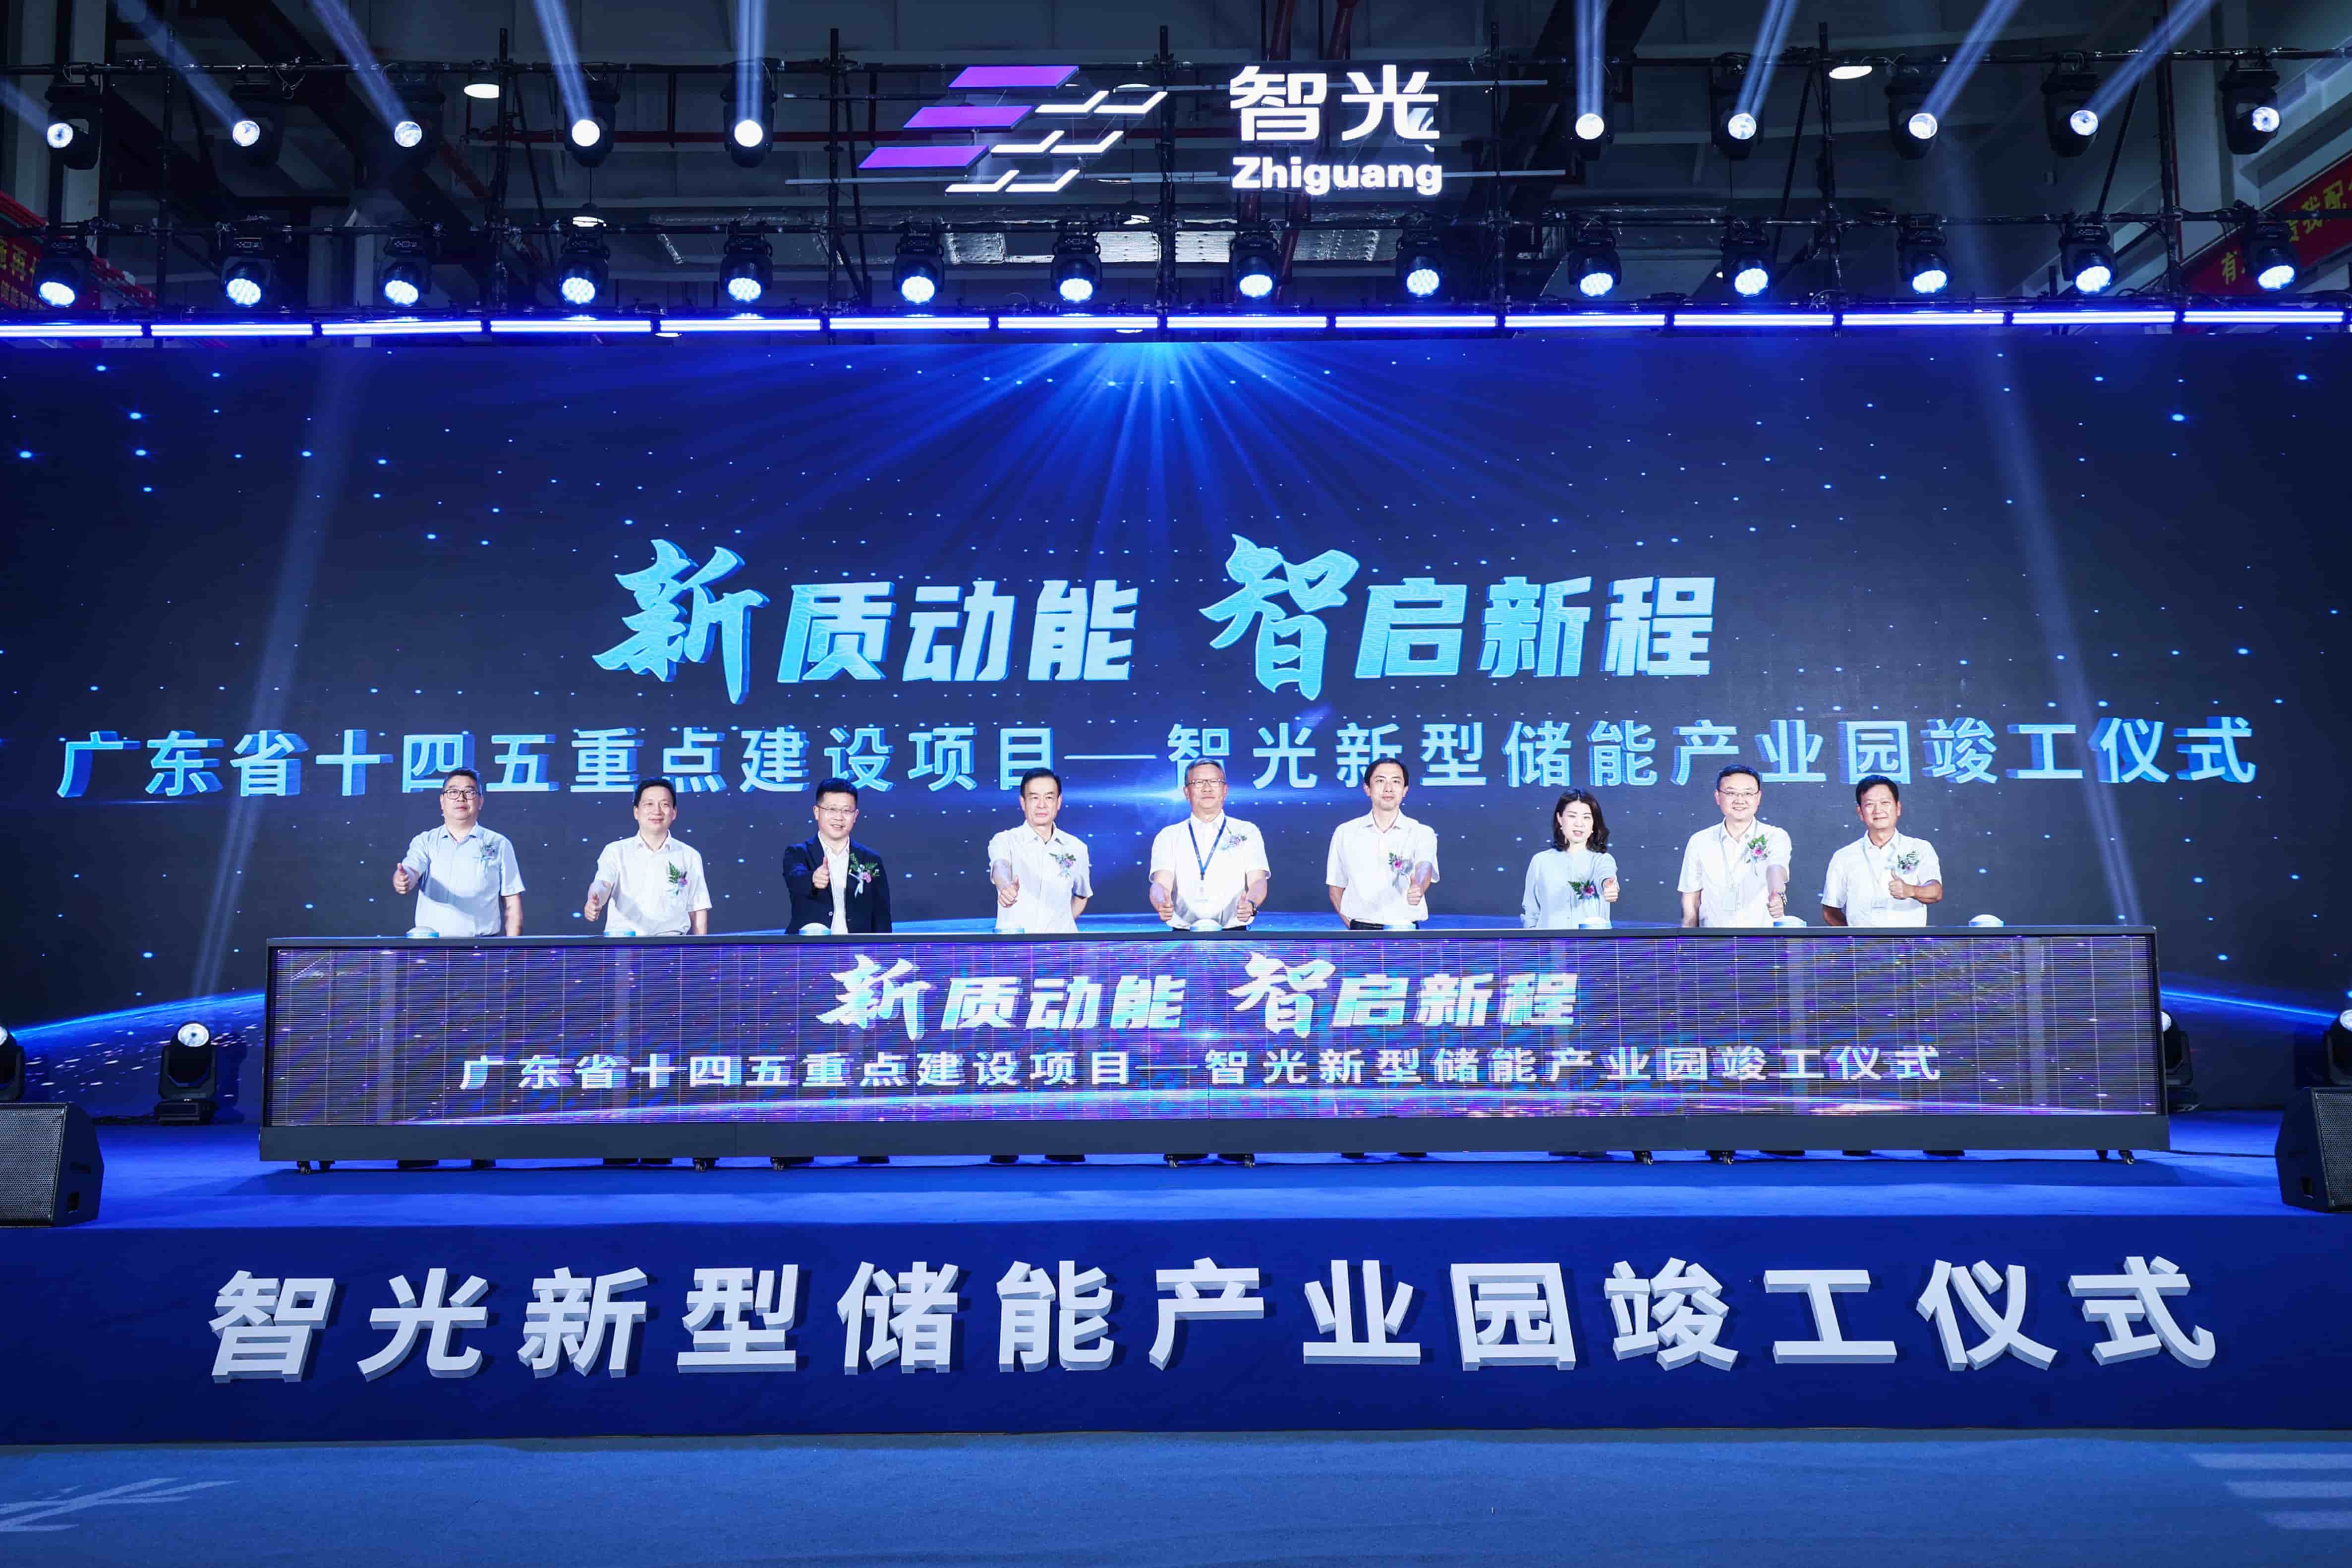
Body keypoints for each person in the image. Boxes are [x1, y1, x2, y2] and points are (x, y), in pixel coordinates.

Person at [392, 767, 523, 936]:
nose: (461, 798)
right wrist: (403, 880)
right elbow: (411, 870)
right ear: (442, 801)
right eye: (453, 792)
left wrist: (512, 949)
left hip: (482, 945)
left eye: (469, 792)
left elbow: (512, 903)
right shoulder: (425, 841)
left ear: (481, 801)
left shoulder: (499, 844)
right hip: (432, 945)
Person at [1148, 759, 1269, 932]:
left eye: (1214, 781)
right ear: (1187, 792)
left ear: (1225, 790)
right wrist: (1161, 903)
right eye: (1198, 782)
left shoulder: (1247, 831)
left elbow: (1258, 880)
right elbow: (1161, 883)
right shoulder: (1169, 835)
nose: (1207, 788)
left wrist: (1251, 903)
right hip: (1182, 936)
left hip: (1235, 934)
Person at [582, 778, 710, 935]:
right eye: (649, 804)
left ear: (674, 813)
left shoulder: (690, 855)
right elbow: (602, 885)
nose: (657, 811)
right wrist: (595, 900)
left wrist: (700, 949)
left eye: (664, 804)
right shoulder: (615, 851)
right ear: (636, 812)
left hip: (671, 943)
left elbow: (698, 909)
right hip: (624, 942)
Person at [1324, 758, 1438, 929]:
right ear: (1367, 789)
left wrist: (1419, 887)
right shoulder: (1345, 833)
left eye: (1396, 782)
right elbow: (1336, 888)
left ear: (1405, 791)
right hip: (1361, 930)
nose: (1388, 788)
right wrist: (1355, 927)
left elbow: (1424, 867)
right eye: (1380, 781)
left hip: (1404, 930)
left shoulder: (1422, 832)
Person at [1821, 774, 1944, 927]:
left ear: (1898, 808)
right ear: (1860, 813)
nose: (1878, 810)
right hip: (1863, 942)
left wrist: (1911, 890)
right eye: (1869, 805)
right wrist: (1856, 938)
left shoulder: (1919, 848)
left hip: (1909, 941)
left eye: (1885, 803)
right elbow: (1830, 911)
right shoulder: (1843, 857)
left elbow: (1936, 892)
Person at [1678, 764, 1791, 928]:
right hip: (1713, 938)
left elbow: (1775, 869)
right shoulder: (1700, 841)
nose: (1740, 800)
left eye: (1748, 793)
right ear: (1718, 797)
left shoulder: (1775, 836)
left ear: (1758, 797)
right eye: (1731, 793)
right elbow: (1691, 898)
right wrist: (1689, 938)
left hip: (1762, 938)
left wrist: (1777, 893)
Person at [782, 777, 894, 934]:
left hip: (858, 947)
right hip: (811, 947)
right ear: (817, 812)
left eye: (846, 811)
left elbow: (881, 915)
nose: (839, 817)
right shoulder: (798, 853)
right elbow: (796, 880)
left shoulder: (870, 859)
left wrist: (882, 949)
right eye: (832, 809)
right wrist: (813, 879)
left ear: (855, 816)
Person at [987, 768, 1091, 933]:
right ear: (1023, 803)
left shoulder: (1076, 847)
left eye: (1049, 798)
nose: (1042, 805)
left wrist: (1060, 928)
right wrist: (1006, 887)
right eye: (1034, 798)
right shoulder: (1005, 840)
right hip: (1016, 945)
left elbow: (1081, 895)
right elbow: (1000, 866)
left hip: (1060, 946)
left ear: (1059, 802)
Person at [1522, 788, 1618, 929]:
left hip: (1590, 943)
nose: (1579, 824)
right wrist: (1534, 936)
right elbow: (1531, 911)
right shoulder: (1540, 861)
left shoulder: (1602, 860)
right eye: (1572, 816)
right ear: (1560, 818)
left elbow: (1606, 875)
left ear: (1593, 823)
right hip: (1551, 943)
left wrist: (1609, 887)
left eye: (1587, 817)